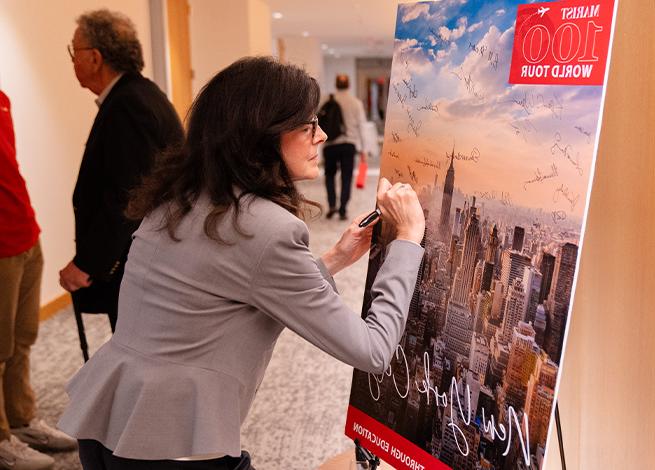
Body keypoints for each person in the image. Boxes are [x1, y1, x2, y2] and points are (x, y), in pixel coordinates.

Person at [57, 57, 425, 469]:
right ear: (261, 136)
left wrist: (335, 257)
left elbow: (234, 293)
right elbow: (372, 350)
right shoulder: (268, 228)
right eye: (307, 126)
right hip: (174, 445)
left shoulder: (179, 199)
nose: (321, 135)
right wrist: (408, 240)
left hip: (112, 423)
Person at [60, 9, 184, 331]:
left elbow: (127, 198)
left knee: (140, 349)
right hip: (152, 259)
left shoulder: (128, 105)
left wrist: (86, 264)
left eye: (75, 51)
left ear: (96, 58)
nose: (73, 60)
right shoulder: (140, 95)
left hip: (141, 267)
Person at [1, 90, 77, 470]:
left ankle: (21, 419)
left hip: (25, 234)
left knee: (23, 337)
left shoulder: (2, 99)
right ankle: (0, 439)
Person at [322, 74, 368, 220]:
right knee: (346, 176)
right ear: (349, 85)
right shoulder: (355, 103)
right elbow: (362, 126)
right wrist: (364, 149)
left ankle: (331, 205)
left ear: (336, 84)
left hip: (330, 144)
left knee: (329, 175)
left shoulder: (327, 100)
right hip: (349, 144)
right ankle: (343, 208)